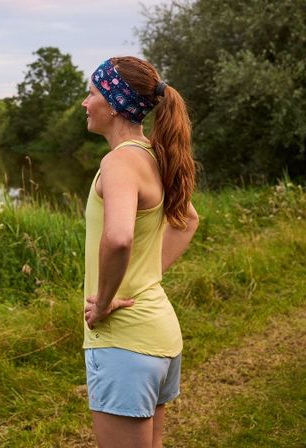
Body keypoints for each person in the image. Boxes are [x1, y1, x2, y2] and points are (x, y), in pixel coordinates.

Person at [80, 56, 199, 448]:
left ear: (114, 103)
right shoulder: (152, 155)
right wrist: (147, 277)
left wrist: (103, 304)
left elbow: (118, 238)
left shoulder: (119, 162)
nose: (85, 102)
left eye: (92, 92)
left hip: (125, 342)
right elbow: (188, 221)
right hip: (159, 336)